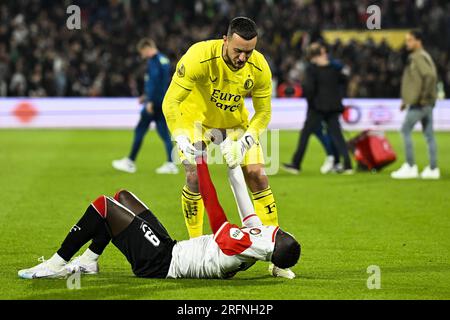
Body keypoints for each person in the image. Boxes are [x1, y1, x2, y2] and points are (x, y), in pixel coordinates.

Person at [18, 155, 300, 280]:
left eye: (285, 237)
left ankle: (56, 264)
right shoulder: (261, 241)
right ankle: (90, 262)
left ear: (276, 247)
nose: (283, 231)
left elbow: (216, 214)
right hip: (170, 248)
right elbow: (246, 206)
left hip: (160, 263)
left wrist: (201, 160)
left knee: (103, 206)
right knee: (122, 196)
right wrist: (233, 164)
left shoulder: (242, 247)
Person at [162, 17, 281, 261]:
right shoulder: (199, 56)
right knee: (194, 175)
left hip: (235, 124)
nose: (243, 58)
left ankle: (276, 251)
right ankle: (195, 244)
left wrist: (245, 142)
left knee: (258, 175)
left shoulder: (259, 66)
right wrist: (180, 137)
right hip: (197, 121)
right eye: (238, 50)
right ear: (225, 40)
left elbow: (264, 113)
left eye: (249, 51)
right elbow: (171, 102)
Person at [281, 42, 353, 175]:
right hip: (333, 107)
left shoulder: (312, 69)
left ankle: (296, 164)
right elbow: (344, 80)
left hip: (317, 107)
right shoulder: (335, 68)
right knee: (337, 136)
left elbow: (309, 89)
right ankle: (347, 165)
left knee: (305, 134)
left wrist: (310, 101)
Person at [112, 38, 178, 174]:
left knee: (140, 130)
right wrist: (146, 97)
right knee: (164, 133)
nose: (142, 55)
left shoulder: (154, 61)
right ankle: (171, 163)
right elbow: (162, 83)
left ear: (147, 48)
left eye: (142, 52)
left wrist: (149, 101)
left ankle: (130, 161)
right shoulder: (163, 60)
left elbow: (154, 82)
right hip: (161, 100)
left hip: (154, 103)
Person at [391, 31, 439, 180]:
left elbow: (429, 76)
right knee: (429, 136)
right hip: (425, 103)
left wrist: (423, 98)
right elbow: (418, 81)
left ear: (418, 41)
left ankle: (410, 166)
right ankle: (433, 169)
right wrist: (406, 100)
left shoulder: (417, 57)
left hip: (420, 104)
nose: (407, 43)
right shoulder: (424, 55)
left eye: (410, 40)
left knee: (405, 131)